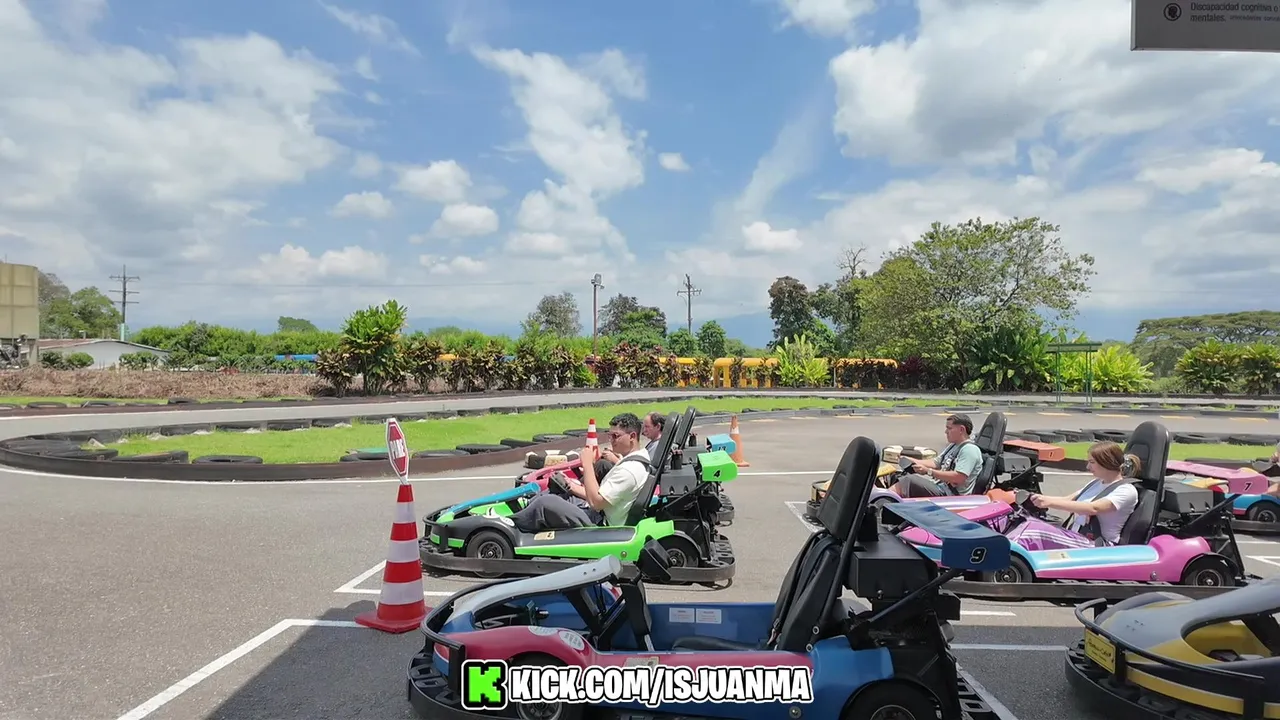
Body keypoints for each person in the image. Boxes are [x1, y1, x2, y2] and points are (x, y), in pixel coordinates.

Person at [498, 413, 653, 532]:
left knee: (545, 503)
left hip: (602, 523)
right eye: (609, 435)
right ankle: (525, 508)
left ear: (632, 436)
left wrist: (587, 464)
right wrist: (571, 486)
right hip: (602, 511)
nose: (611, 440)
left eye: (615, 436)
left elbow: (596, 502)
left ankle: (506, 525)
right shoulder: (637, 460)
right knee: (562, 493)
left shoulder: (629, 470)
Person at [1023, 441, 1141, 547]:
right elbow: (1068, 499)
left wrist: (1048, 502)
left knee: (1032, 532)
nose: (1088, 467)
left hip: (1098, 544)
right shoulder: (1096, 483)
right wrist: (1036, 498)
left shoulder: (1126, 490)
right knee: (1028, 523)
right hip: (1077, 536)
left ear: (1107, 462)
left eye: (1092, 462)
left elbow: (1093, 508)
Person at [890, 414, 984, 497]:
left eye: (949, 428)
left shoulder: (970, 450)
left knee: (908, 481)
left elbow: (958, 477)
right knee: (897, 476)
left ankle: (884, 500)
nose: (946, 431)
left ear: (961, 429)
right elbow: (936, 463)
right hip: (941, 487)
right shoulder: (953, 445)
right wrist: (912, 460)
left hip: (951, 494)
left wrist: (929, 472)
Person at [595, 411, 663, 472]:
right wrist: (619, 457)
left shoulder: (658, 446)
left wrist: (615, 460)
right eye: (643, 427)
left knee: (602, 465)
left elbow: (644, 470)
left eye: (647, 427)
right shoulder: (653, 444)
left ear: (658, 426)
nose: (644, 430)